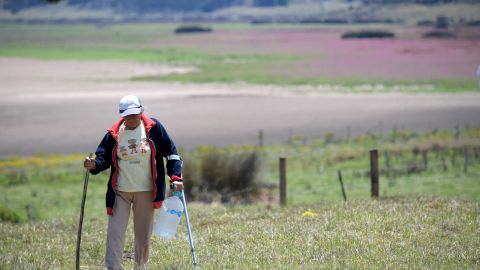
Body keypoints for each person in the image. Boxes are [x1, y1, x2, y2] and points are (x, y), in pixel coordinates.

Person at [84, 95, 183, 270]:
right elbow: (102, 158)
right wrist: (93, 165)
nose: (131, 118)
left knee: (142, 237)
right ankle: (113, 267)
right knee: (115, 234)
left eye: (134, 114)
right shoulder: (114, 133)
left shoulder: (154, 128)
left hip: (146, 191)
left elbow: (172, 153)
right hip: (120, 192)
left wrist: (175, 177)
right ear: (121, 115)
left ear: (141, 111)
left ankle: (140, 267)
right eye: (127, 115)